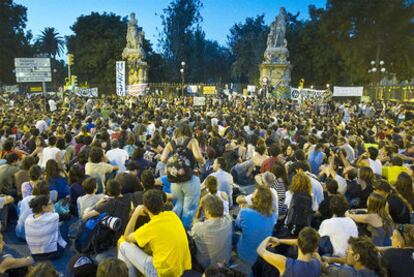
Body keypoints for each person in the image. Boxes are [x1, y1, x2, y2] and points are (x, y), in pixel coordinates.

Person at [119, 189, 191, 277]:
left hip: (162, 273)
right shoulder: (173, 215)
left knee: (123, 244)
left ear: (145, 208)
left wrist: (135, 213)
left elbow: (127, 237)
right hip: (181, 268)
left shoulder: (149, 228)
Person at [160, 123, 205, 229]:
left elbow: (162, 159)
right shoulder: (192, 141)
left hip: (175, 180)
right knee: (189, 209)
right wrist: (203, 161)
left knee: (179, 203)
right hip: (189, 179)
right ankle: (184, 231)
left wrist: (172, 165)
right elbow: (198, 156)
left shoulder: (171, 142)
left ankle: (174, 226)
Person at [235, 186, 277, 268]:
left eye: (254, 193)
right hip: (263, 255)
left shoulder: (245, 212)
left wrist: (242, 209)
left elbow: (237, 225)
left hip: (245, 254)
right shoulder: (273, 216)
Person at [257, 227, 321, 277]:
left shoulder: (285, 263)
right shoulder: (318, 260)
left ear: (298, 242)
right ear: (316, 248)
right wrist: (279, 241)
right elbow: (298, 241)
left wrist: (268, 238)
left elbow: (260, 250)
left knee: (270, 250)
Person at [191, 194, 232, 270]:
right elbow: (225, 213)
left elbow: (194, 223)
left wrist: (200, 208)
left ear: (206, 211)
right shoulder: (228, 220)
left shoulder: (199, 228)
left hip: (207, 267)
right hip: (225, 262)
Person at [25, 195, 67, 260]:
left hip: (34, 255)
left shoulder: (28, 219)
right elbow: (67, 216)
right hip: (53, 253)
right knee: (63, 224)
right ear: (44, 207)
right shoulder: (54, 217)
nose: (53, 205)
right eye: (50, 203)